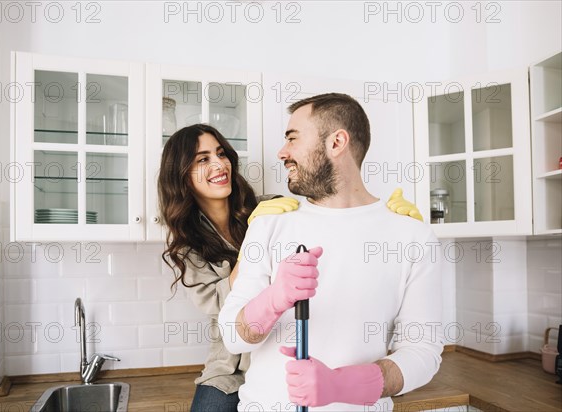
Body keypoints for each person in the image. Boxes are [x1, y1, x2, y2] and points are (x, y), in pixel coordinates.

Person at [159, 123, 424, 412]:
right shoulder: (187, 246)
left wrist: (389, 221)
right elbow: (224, 307)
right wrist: (252, 241)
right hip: (229, 369)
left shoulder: (271, 209)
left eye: (221, 154)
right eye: (202, 159)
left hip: (284, 358)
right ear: (182, 176)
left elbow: (331, 227)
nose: (219, 164)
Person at [219, 93, 444, 411]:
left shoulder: (413, 236)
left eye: (293, 139)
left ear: (337, 142)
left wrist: (342, 385)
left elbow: (422, 351)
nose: (282, 153)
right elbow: (233, 336)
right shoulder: (270, 224)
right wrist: (272, 300)